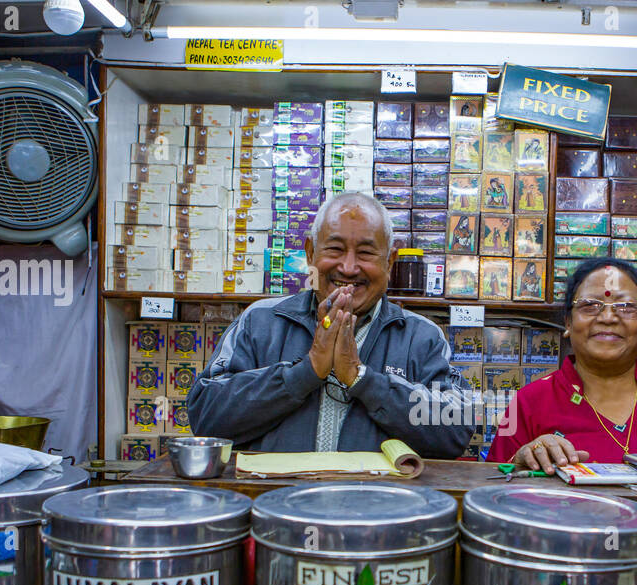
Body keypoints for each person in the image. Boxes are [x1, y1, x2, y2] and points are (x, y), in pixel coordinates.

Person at [188, 192, 473, 458]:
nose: (348, 268)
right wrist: (305, 372)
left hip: (381, 508)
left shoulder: (420, 337)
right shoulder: (261, 321)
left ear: (390, 262)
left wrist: (363, 380)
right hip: (278, 507)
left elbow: (455, 431)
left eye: (365, 253)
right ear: (310, 254)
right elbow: (205, 417)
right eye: (335, 249)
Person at [487, 257, 637, 472]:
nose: (608, 317)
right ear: (568, 323)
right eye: (590, 305)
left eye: (626, 307)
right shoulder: (530, 401)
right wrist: (521, 461)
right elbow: (493, 485)